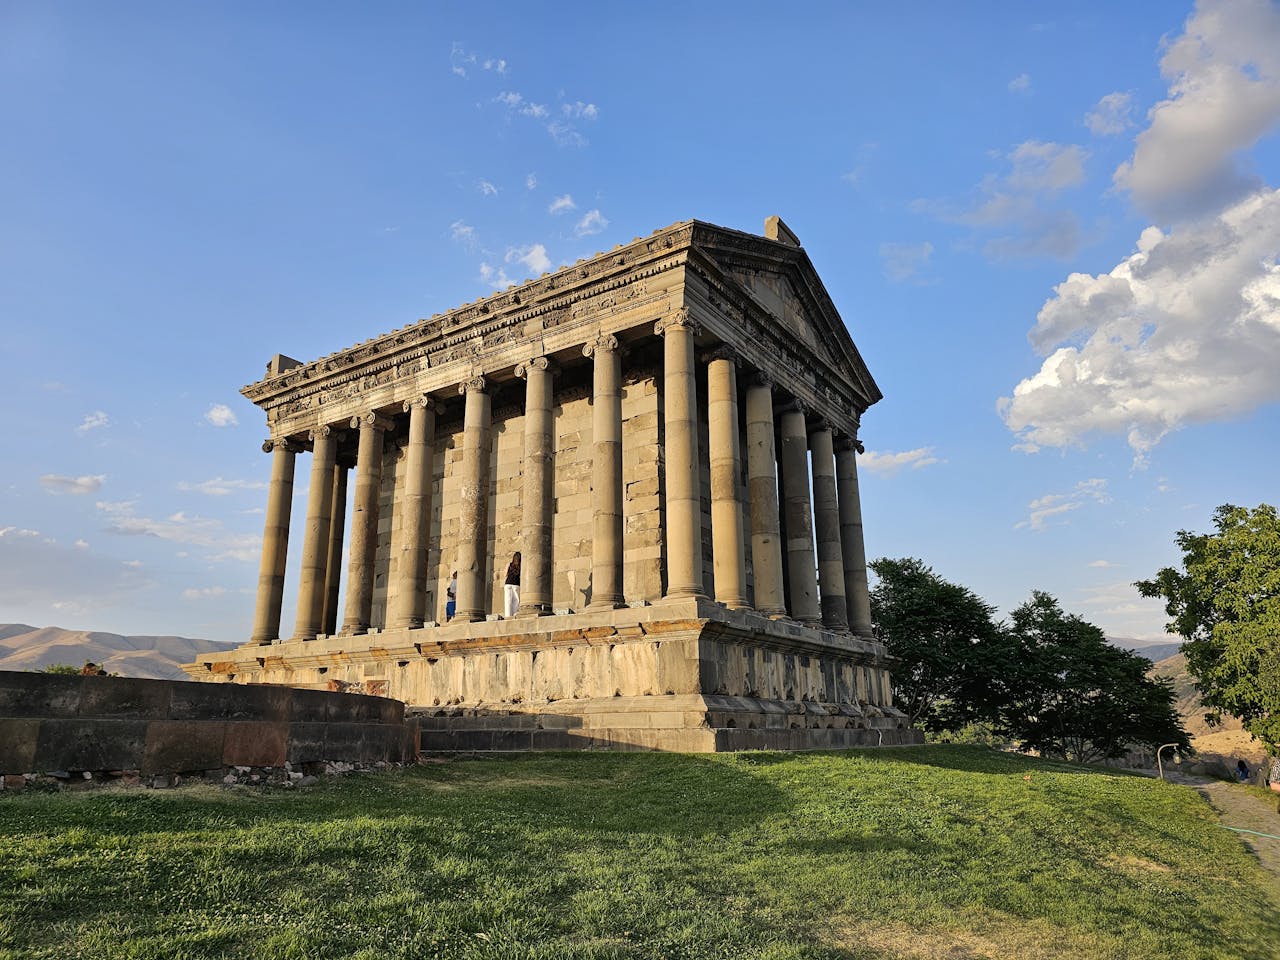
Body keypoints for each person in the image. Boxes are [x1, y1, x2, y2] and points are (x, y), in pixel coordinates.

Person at [504, 552, 521, 618]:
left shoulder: (509, 564)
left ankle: (508, 616)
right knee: (516, 601)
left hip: (508, 583)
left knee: (508, 601)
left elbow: (505, 574)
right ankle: (514, 616)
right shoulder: (520, 565)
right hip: (516, 584)